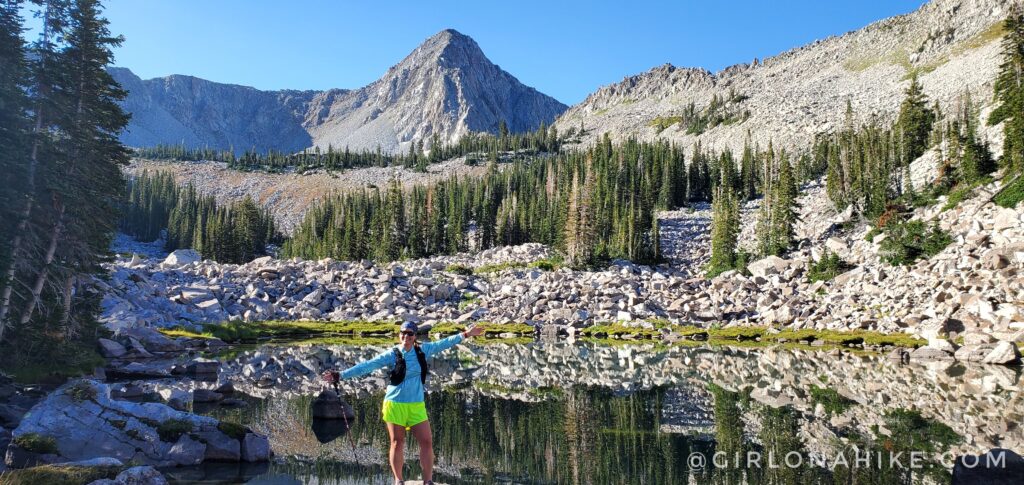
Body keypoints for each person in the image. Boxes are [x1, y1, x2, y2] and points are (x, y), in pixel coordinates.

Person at [339, 321, 484, 485]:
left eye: (409, 334)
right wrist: (341, 375)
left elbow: (444, 343)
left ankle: (428, 481)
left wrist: (466, 334)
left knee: (427, 441)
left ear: (415, 337)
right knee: (397, 442)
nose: (405, 336)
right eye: (403, 333)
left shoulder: (423, 350)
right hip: (395, 404)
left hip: (416, 405)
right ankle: (398, 480)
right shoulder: (392, 354)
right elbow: (368, 365)